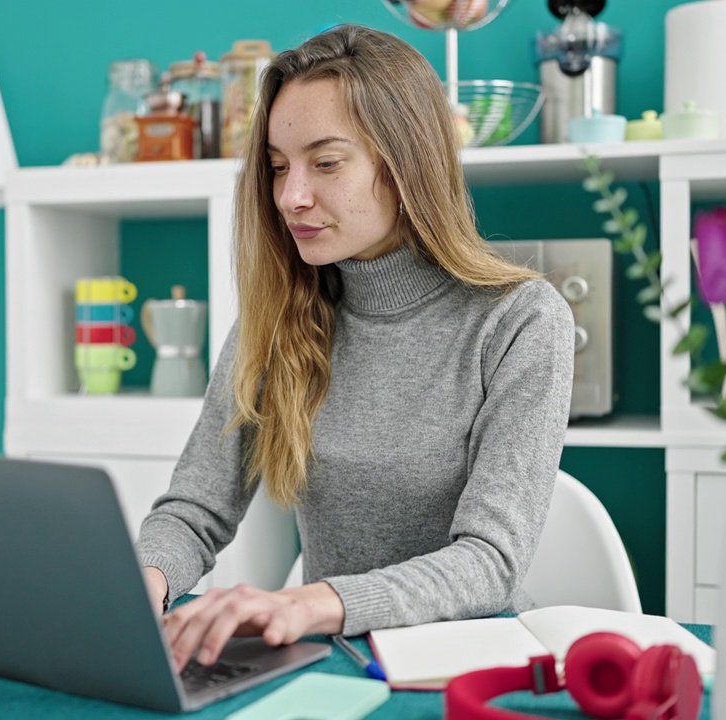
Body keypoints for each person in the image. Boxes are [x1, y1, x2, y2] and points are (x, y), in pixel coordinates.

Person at [136, 23, 574, 672]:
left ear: (407, 163)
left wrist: (311, 603)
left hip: (461, 669)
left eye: (327, 163)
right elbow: (195, 509)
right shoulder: (274, 321)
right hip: (330, 662)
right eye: (279, 167)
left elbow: (491, 562)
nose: (291, 196)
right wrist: (143, 585)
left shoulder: (521, 320)